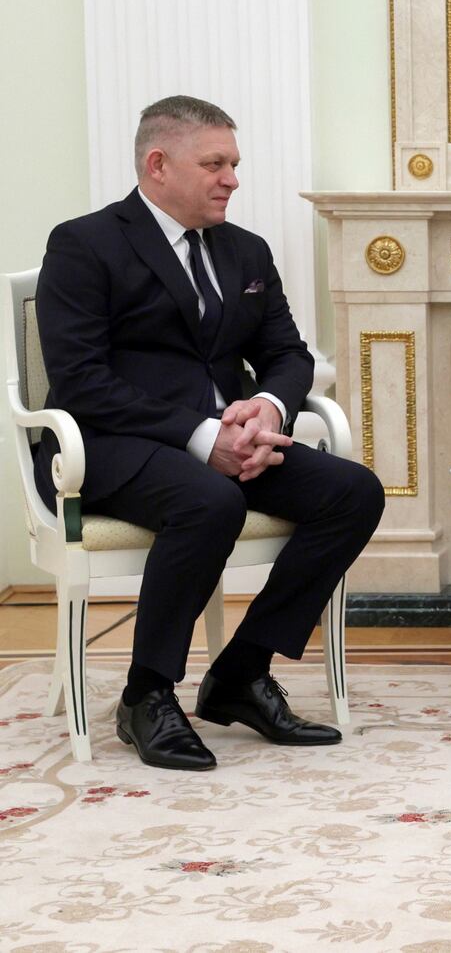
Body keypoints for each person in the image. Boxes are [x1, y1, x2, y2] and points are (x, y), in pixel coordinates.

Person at [34, 95, 386, 771]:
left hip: (231, 439)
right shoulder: (84, 243)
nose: (232, 178)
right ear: (158, 164)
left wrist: (269, 411)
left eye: (234, 163)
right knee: (209, 499)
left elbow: (289, 354)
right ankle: (146, 694)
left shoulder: (245, 250)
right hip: (108, 445)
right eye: (215, 163)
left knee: (353, 491)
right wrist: (202, 436)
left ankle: (240, 674)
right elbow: (80, 380)